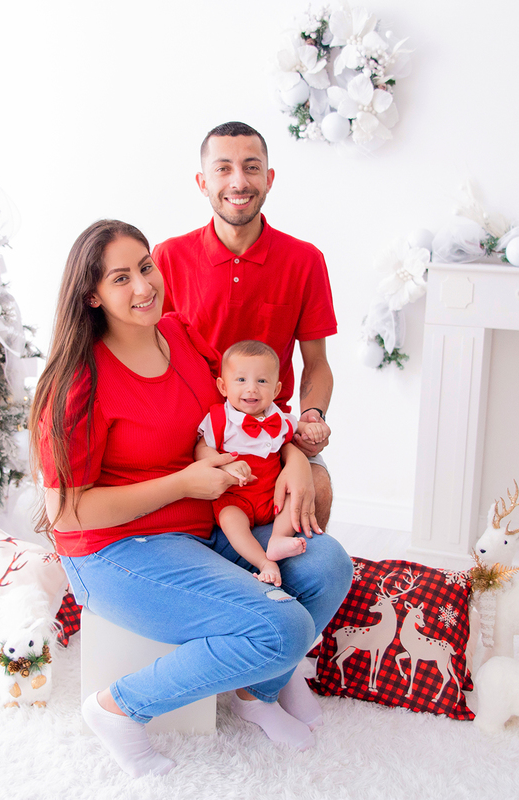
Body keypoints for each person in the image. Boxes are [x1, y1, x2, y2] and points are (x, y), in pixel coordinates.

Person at [29, 219, 352, 778]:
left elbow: (243, 415)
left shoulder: (178, 334)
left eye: (146, 267)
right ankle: (118, 708)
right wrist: (183, 484)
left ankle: (256, 694)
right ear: (92, 295)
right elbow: (67, 513)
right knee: (282, 629)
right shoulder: (76, 382)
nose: (143, 286)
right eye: (121, 278)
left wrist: (296, 458)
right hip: (116, 550)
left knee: (327, 565)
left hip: (204, 526)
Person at [154, 120, 337, 527]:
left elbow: (317, 362)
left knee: (318, 489)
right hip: (193, 434)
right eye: (223, 169)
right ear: (203, 182)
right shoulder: (167, 257)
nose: (239, 181)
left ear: (269, 178)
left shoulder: (305, 260)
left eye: (251, 167)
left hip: (272, 430)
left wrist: (313, 416)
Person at [195, 339, 330, 587]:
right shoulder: (219, 419)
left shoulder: (277, 417)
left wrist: (313, 428)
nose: (252, 389)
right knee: (230, 521)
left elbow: (298, 427)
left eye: (262, 381)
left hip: (272, 495)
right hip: (236, 497)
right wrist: (224, 464)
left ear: (276, 390)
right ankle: (264, 562)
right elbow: (201, 450)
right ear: (223, 386)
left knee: (293, 496)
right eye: (241, 380)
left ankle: (278, 538)